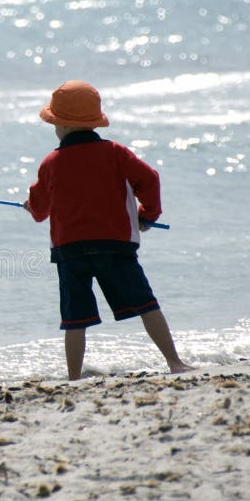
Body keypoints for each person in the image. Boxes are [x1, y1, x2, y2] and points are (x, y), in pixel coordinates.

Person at [23, 80, 194, 380]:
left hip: (70, 251)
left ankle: (73, 377)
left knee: (74, 319)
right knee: (146, 303)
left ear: (61, 125)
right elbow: (150, 179)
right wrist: (147, 215)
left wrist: (32, 208)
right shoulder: (116, 152)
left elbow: (39, 209)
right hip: (114, 244)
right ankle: (174, 362)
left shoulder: (51, 162)